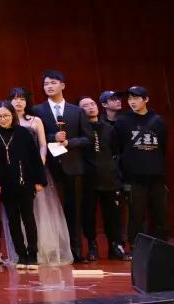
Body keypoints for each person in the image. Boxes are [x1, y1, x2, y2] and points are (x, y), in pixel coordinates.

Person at [31, 70, 91, 263]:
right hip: (49, 168)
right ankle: (56, 250)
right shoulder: (37, 110)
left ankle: (76, 249)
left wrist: (69, 142)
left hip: (73, 167)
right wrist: (52, 137)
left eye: (53, 83)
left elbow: (87, 138)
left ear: (63, 85)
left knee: (75, 210)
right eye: (46, 84)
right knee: (51, 211)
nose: (49, 86)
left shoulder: (76, 111)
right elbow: (33, 138)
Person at [6, 87, 72, 266]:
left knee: (41, 210)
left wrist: (40, 163)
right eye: (15, 99)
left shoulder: (35, 120)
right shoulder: (6, 121)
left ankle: (44, 250)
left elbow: (43, 145)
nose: (18, 102)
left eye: (22, 99)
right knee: (19, 213)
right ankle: (21, 251)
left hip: (35, 171)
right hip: (15, 173)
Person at [0, 101, 46, 270]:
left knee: (28, 218)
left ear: (12, 115)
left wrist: (39, 180)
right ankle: (21, 254)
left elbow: (35, 158)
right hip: (6, 184)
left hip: (25, 181)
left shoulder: (23, 132)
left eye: (6, 115)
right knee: (12, 220)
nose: (2, 119)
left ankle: (33, 254)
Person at [116, 86, 168, 251]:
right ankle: (136, 248)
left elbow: (163, 146)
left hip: (156, 175)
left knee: (159, 214)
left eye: (136, 98)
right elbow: (118, 146)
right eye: (130, 99)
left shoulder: (158, 121)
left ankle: (161, 248)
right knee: (135, 215)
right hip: (134, 177)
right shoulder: (123, 121)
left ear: (146, 99)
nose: (132, 102)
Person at [79, 96, 125, 261]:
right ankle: (92, 246)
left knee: (113, 215)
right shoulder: (80, 129)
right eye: (85, 105)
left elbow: (116, 151)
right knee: (88, 215)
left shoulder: (109, 128)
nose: (91, 107)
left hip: (109, 177)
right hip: (88, 179)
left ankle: (116, 246)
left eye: (92, 104)